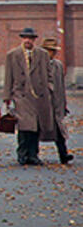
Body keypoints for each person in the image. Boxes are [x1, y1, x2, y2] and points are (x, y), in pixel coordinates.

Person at [2, 26, 56, 166]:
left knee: (36, 127)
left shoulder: (42, 54)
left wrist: (49, 89)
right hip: (21, 95)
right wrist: (7, 96)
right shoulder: (13, 55)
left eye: (30, 38)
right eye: (25, 38)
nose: (28, 41)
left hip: (39, 95)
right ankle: (22, 154)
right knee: (24, 125)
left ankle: (33, 154)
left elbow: (50, 75)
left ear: (34, 40)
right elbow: (8, 76)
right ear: (22, 39)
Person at [40, 36, 73, 165]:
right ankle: (33, 154)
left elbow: (61, 86)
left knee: (59, 131)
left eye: (53, 50)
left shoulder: (58, 65)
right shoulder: (39, 65)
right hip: (44, 104)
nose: (51, 53)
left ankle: (63, 154)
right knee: (39, 130)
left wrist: (63, 104)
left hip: (57, 103)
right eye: (49, 50)